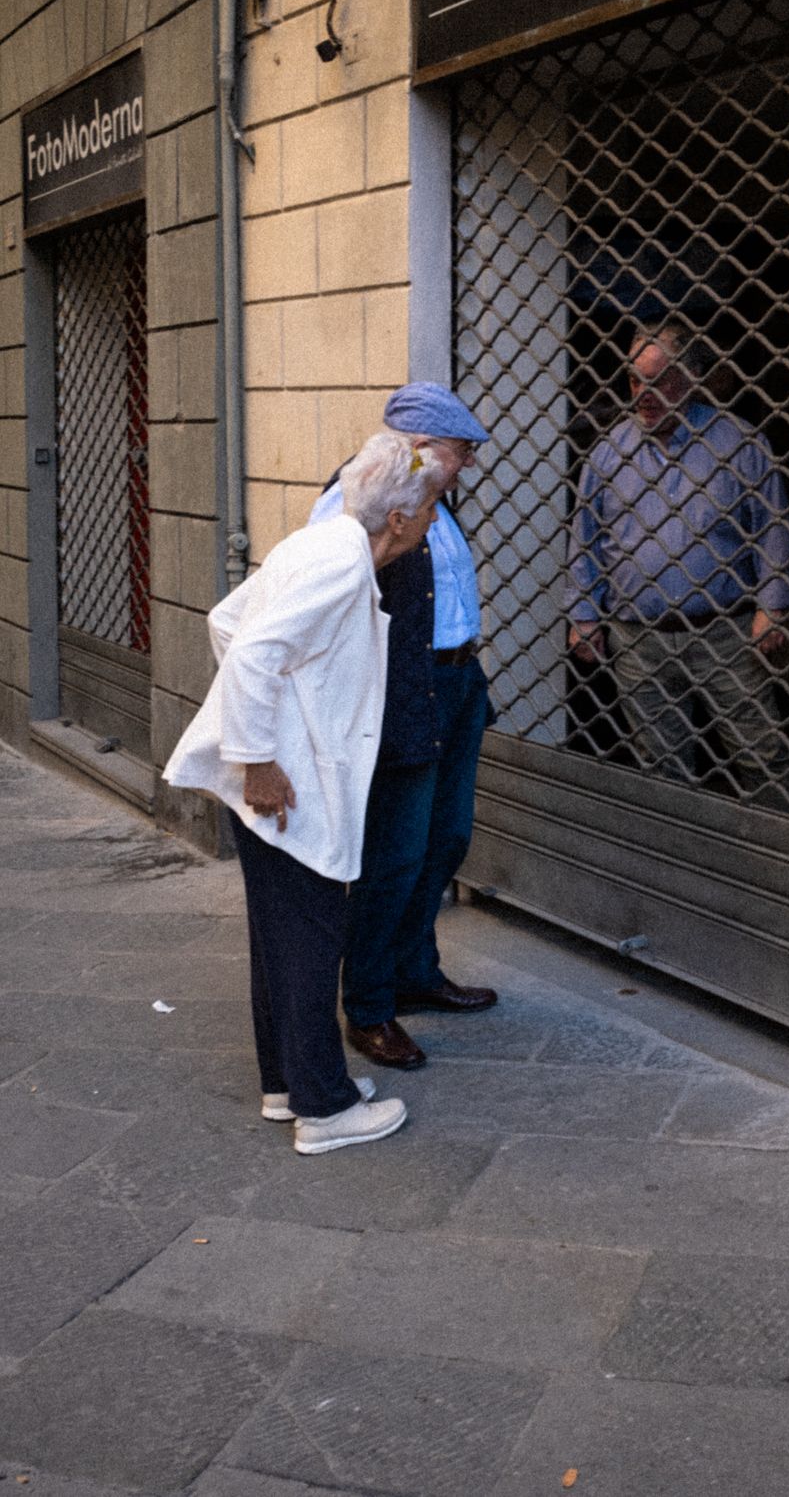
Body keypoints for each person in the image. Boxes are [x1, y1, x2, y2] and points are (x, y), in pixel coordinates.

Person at [163, 432, 448, 1154]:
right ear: (401, 521)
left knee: (283, 942)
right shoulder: (345, 566)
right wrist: (261, 755)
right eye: (433, 508)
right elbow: (256, 652)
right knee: (313, 943)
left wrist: (283, 716)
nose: (434, 523)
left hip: (289, 779)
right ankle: (324, 1110)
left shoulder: (316, 543)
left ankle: (286, 1085)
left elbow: (227, 622)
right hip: (294, 787)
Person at [309, 383, 496, 1071]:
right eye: (459, 452)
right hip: (402, 695)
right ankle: (369, 1005)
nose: (466, 466)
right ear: (419, 450)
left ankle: (415, 970)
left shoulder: (434, 504)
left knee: (446, 839)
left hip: (455, 685)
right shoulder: (350, 502)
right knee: (395, 854)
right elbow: (324, 606)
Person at [566, 323, 789, 810]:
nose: (645, 394)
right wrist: (584, 615)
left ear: (692, 379)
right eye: (635, 381)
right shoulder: (609, 452)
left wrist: (773, 607)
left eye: (660, 380)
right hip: (638, 637)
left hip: (725, 631)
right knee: (660, 763)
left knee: (762, 755)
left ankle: (781, 866)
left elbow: (774, 529)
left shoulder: (739, 444)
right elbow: (585, 539)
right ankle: (673, 872)